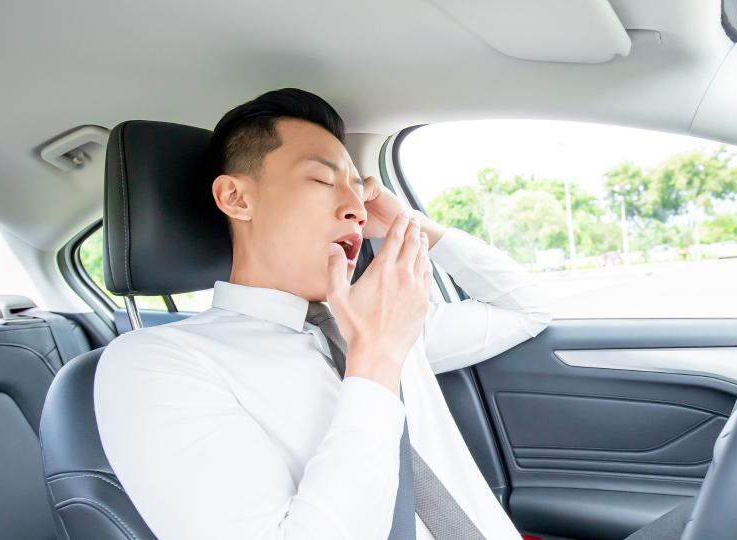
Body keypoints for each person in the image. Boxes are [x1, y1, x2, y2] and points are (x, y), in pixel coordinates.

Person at [93, 88, 552, 539]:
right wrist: (375, 361)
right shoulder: (155, 363)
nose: (355, 208)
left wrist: (411, 225)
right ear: (236, 198)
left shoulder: (383, 319)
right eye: (321, 180)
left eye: (359, 189)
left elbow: (527, 311)